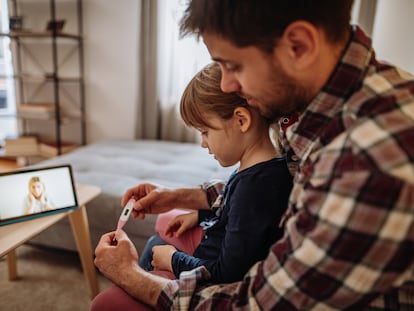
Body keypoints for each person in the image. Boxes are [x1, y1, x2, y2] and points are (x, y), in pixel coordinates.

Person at [92, 0, 414, 310]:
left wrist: (130, 274)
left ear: (298, 46)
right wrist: (181, 197)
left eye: (233, 66)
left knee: (106, 303)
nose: (227, 85)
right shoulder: (313, 109)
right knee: (167, 221)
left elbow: (254, 304)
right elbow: (266, 194)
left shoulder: (367, 161)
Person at [138, 62, 292, 283]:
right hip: (213, 244)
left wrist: (174, 260)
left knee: (108, 300)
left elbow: (226, 273)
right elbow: (242, 219)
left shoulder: (255, 187)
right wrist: (200, 215)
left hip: (211, 276)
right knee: (159, 237)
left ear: (241, 120)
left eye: (205, 132)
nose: (203, 143)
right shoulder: (262, 168)